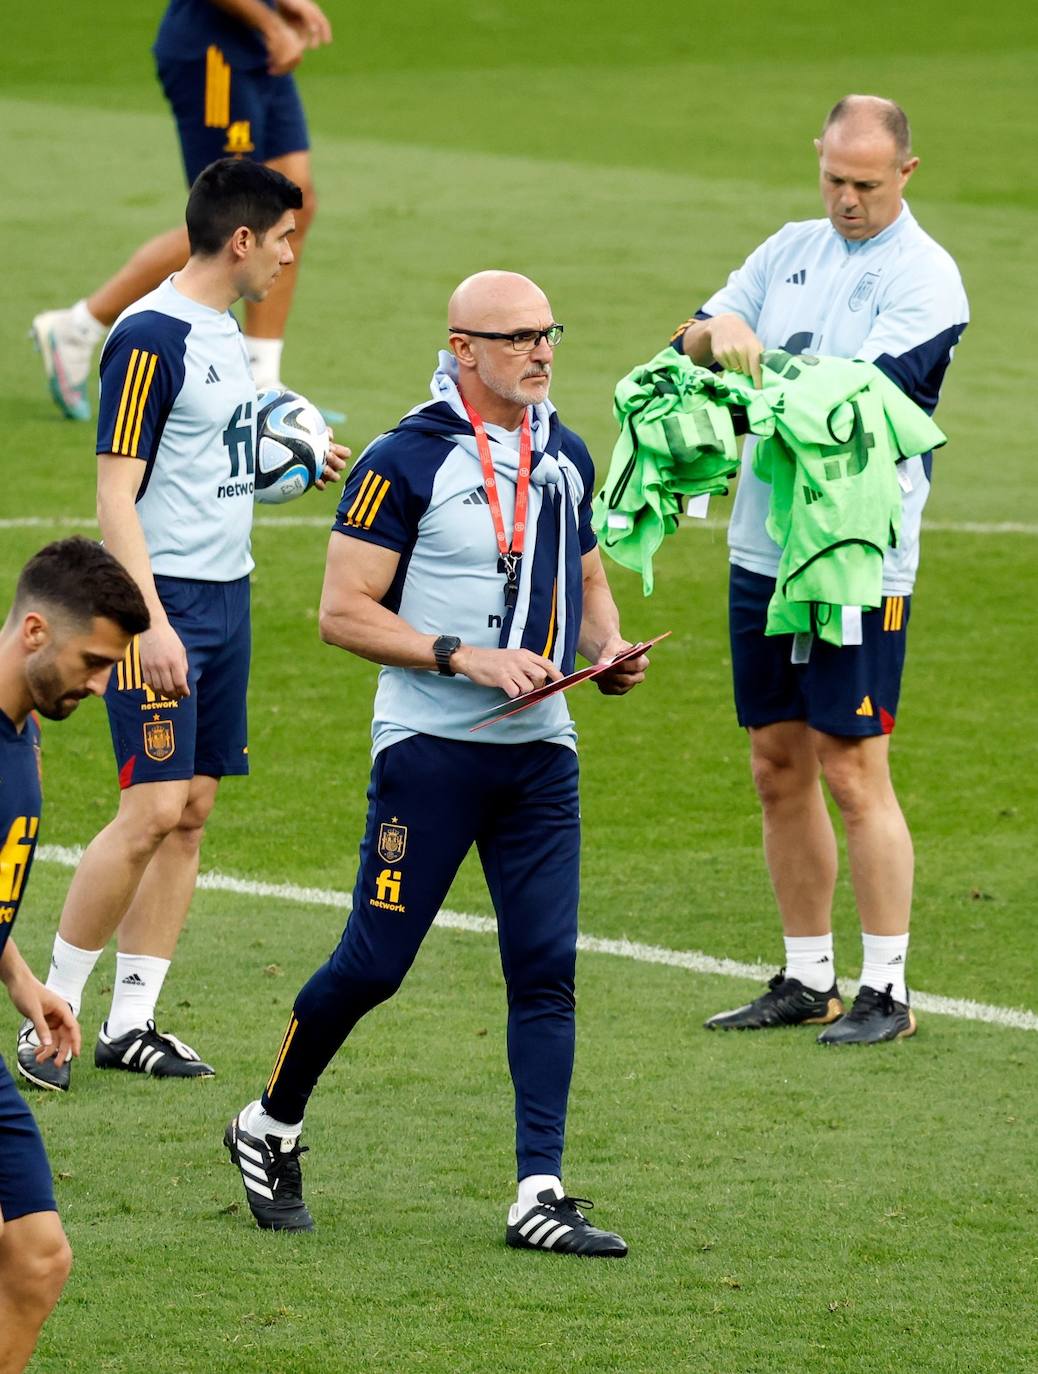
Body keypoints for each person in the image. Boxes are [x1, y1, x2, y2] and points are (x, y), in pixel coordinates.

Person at [225, 270, 649, 1256]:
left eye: (549, 333)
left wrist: (607, 646)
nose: (542, 352)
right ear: (463, 348)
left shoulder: (564, 454)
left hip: (541, 755)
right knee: (373, 965)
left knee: (545, 970)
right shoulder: (402, 459)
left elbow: (583, 569)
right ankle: (270, 1121)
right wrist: (465, 656)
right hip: (430, 752)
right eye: (517, 338)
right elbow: (341, 614)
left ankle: (537, 1191)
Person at [16, 158, 348, 1094]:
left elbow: (205, 460)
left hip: (228, 596)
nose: (290, 255)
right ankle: (54, 1014)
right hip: (162, 606)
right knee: (151, 808)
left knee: (191, 812)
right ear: (242, 239)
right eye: (284, 239)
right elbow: (115, 492)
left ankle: (133, 1020)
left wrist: (291, 462)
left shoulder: (222, 332)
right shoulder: (149, 336)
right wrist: (149, 623)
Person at [675, 96, 968, 1044]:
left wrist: (746, 374)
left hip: (854, 563)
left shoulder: (930, 282)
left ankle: (888, 987)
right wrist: (710, 338)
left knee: (852, 768)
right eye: (834, 178)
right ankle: (808, 976)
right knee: (775, 765)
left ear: (907, 175)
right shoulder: (788, 246)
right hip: (763, 547)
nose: (846, 199)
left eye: (866, 185)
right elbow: (692, 336)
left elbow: (859, 410)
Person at [31, 0, 333, 421]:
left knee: (293, 203)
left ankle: (261, 379)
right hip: (214, 50)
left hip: (254, 46)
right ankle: (77, 328)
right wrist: (271, 23)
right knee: (233, 219)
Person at [0, 537, 149, 1373]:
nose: (99, 686)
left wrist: (23, 981)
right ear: (32, 632)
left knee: (38, 1257)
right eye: (93, 663)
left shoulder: (22, 727)